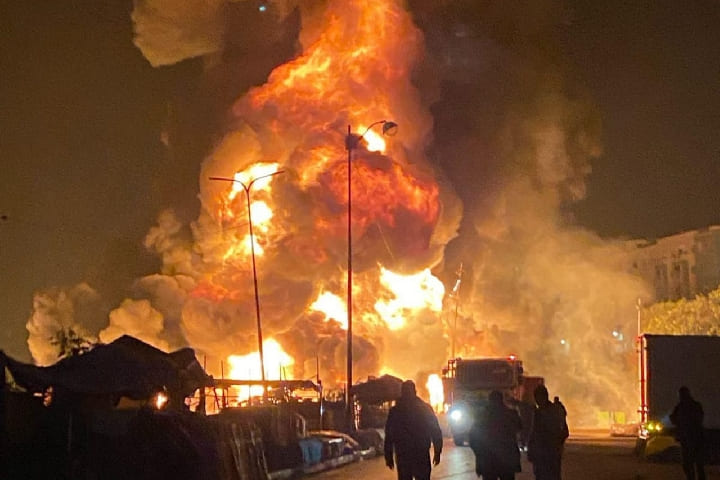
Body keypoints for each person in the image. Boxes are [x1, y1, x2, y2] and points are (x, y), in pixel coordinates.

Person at [384, 380, 443, 480]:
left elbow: (389, 435)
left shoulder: (395, 411)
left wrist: (388, 455)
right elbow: (435, 430)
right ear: (415, 392)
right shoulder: (424, 408)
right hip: (420, 454)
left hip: (404, 455)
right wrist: (437, 451)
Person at [468, 390, 522, 480]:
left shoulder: (482, 416)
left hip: (488, 460)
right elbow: (519, 427)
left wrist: (479, 453)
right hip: (506, 459)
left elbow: (473, 437)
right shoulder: (511, 414)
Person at [527, 385, 569, 480]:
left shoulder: (544, 413)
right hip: (550, 453)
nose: (537, 401)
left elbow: (534, 433)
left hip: (547, 453)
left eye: (537, 397)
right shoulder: (554, 410)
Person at [670, 386, 706, 480]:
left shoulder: (680, 406)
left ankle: (691, 478)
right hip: (697, 438)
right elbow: (700, 418)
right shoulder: (696, 405)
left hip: (686, 438)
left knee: (688, 463)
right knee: (699, 464)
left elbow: (673, 419)